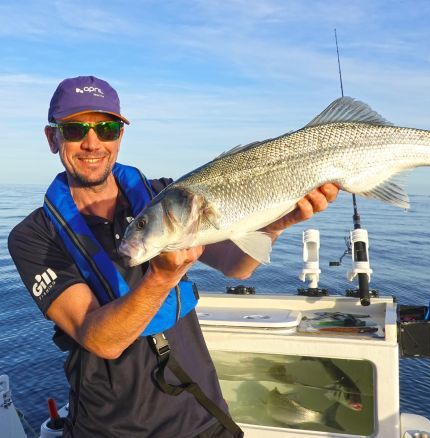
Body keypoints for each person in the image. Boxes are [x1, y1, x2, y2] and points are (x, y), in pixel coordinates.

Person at [8, 76, 339, 437]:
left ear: (120, 135)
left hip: (202, 412)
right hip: (111, 427)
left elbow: (236, 266)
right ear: (52, 137)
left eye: (106, 128)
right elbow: (101, 339)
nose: (92, 143)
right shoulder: (34, 236)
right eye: (74, 129)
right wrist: (162, 277)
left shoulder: (165, 195)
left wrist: (281, 221)